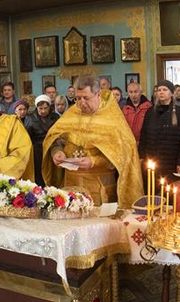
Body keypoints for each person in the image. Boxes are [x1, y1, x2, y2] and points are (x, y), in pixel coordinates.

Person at [43, 75, 142, 206]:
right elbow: (56, 139)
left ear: (98, 94)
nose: (81, 103)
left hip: (99, 188)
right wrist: (57, 152)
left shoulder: (112, 118)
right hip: (70, 187)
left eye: (86, 98)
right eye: (78, 98)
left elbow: (123, 155)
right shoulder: (72, 113)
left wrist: (94, 161)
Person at [138, 79, 180, 184]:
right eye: (158, 90)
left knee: (169, 194)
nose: (161, 92)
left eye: (164, 89)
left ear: (171, 93)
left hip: (171, 163)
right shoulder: (150, 112)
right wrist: (141, 156)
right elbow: (144, 135)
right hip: (152, 162)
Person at [25, 95, 58, 186]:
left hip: (51, 147)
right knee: (39, 172)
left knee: (51, 171)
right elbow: (27, 137)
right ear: (37, 107)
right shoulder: (30, 118)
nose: (43, 111)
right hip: (37, 150)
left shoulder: (55, 117)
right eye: (40, 108)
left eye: (45, 108)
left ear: (49, 107)